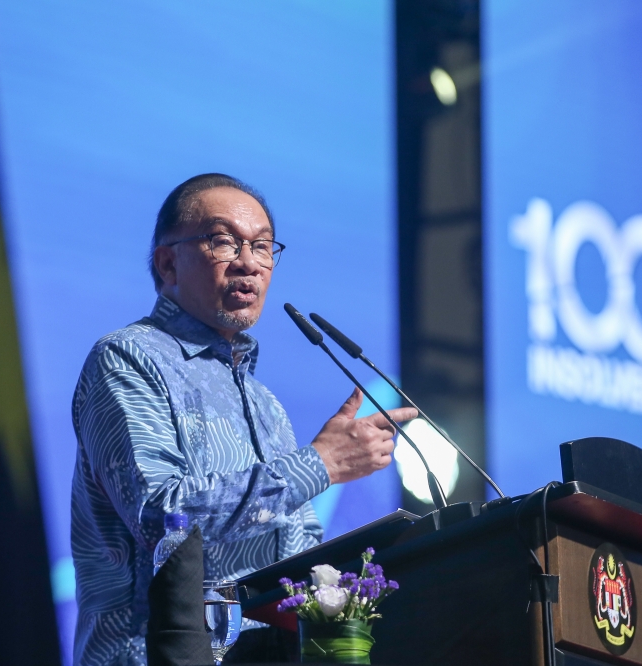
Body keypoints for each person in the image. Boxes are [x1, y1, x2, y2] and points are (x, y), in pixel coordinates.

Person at [71, 173, 417, 665]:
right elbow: (162, 518)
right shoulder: (128, 358)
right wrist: (319, 465)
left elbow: (296, 560)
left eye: (262, 246)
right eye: (222, 242)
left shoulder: (266, 405)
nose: (249, 263)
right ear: (168, 262)